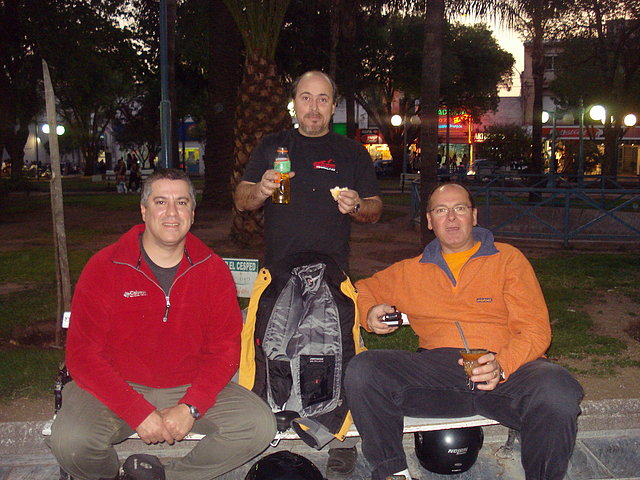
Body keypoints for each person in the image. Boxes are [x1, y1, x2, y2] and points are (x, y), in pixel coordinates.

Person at [344, 182, 584, 480]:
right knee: (364, 368)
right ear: (430, 221)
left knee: (557, 389)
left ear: (474, 216)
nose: (452, 218)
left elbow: (536, 330)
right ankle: (393, 473)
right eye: (441, 211)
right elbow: (361, 288)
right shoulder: (411, 270)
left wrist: (503, 366)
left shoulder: (507, 259)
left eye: (459, 209)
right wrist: (369, 312)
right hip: (438, 373)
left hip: (507, 370)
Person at [47, 169, 276, 480]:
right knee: (70, 441)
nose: (172, 212)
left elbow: (225, 351)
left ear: (192, 213)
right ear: (144, 210)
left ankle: (169, 477)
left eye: (182, 203)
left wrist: (191, 407)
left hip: (186, 384)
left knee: (258, 425)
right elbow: (82, 355)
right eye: (161, 202)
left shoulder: (213, 270)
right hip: (116, 385)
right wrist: (137, 412)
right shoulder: (106, 266)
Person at [234, 70, 383, 479]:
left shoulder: (351, 152)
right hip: (278, 270)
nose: (313, 107)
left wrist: (356, 205)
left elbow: (375, 208)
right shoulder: (271, 146)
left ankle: (340, 437)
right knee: (268, 351)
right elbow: (243, 199)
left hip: (334, 272)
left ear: (332, 105)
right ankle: (265, 428)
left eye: (322, 99)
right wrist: (262, 189)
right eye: (305, 97)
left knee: (338, 353)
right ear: (294, 102)